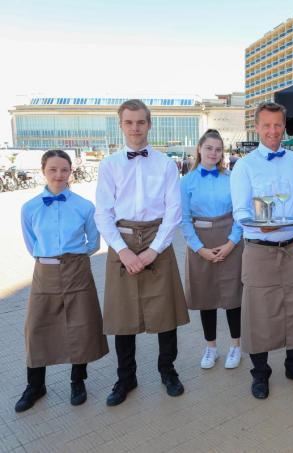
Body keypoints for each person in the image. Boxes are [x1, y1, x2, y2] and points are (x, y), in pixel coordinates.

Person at [95, 99, 189, 407]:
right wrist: (122, 251)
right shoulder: (109, 165)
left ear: (149, 124)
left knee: (166, 314)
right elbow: (103, 214)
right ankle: (126, 378)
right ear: (121, 125)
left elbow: (174, 211)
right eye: (129, 122)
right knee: (123, 315)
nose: (135, 128)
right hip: (121, 242)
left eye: (140, 122)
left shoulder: (165, 164)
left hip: (156, 239)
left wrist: (152, 251)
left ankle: (168, 371)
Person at [231, 102, 293, 400]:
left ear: (284, 127)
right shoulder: (244, 165)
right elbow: (240, 211)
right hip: (259, 249)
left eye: (278, 125)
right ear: (256, 127)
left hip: (292, 248)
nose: (272, 131)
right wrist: (259, 226)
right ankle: (260, 374)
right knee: (259, 313)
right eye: (267, 125)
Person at [16, 150, 109, 412]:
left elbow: (93, 242)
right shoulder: (30, 207)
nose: (59, 175)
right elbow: (31, 243)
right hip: (44, 271)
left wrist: (73, 259)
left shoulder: (84, 206)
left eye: (64, 170)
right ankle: (35, 385)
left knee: (81, 326)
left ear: (71, 172)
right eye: (53, 169)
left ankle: (77, 380)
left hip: (77, 269)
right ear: (44, 171)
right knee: (36, 328)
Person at [180, 129, 244, 370]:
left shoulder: (231, 179)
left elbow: (240, 214)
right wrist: (199, 248)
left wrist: (231, 243)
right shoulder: (186, 182)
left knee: (232, 296)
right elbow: (183, 219)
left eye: (218, 149)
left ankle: (236, 346)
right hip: (200, 242)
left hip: (230, 241)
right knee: (206, 297)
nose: (213, 153)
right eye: (209, 148)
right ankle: (211, 347)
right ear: (199, 149)